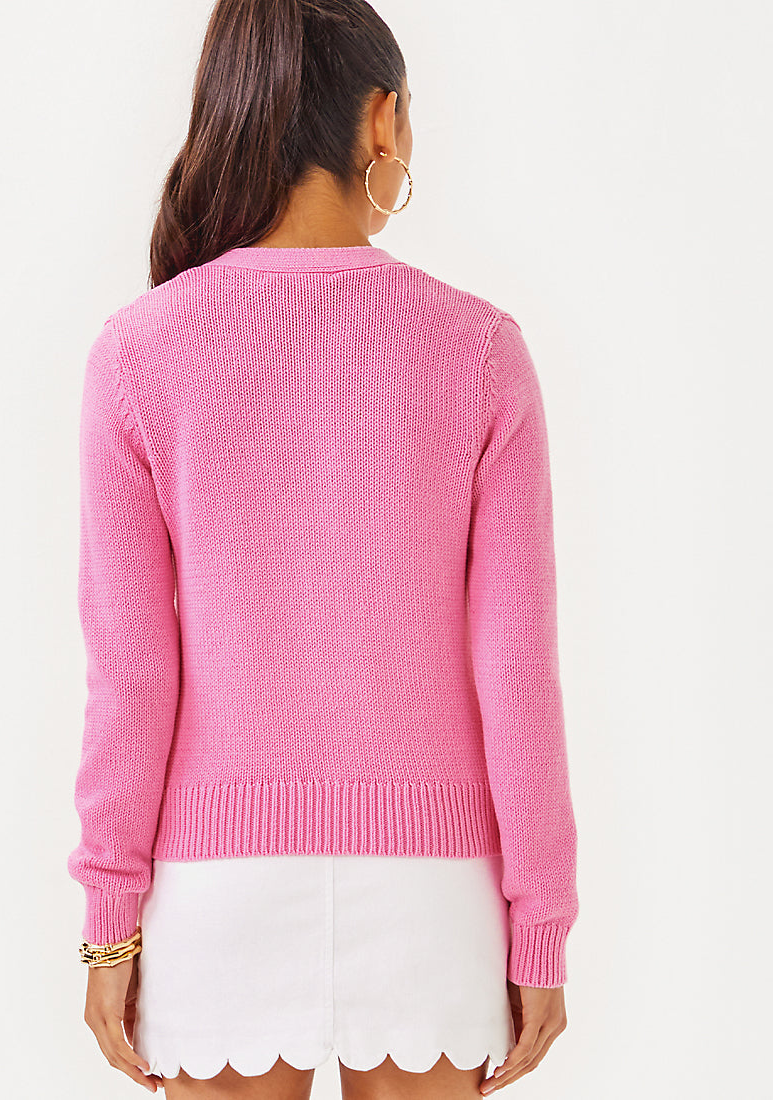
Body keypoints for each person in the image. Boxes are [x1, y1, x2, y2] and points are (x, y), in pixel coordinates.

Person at [66, 1, 579, 1097]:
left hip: (214, 885)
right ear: (381, 119)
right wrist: (540, 924)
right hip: (435, 883)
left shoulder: (138, 357)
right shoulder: (480, 352)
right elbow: (517, 673)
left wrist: (110, 922)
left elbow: (132, 676)